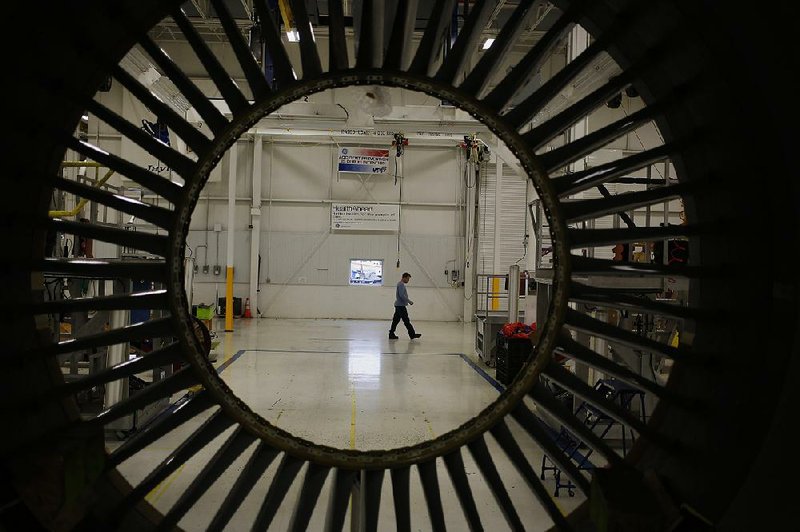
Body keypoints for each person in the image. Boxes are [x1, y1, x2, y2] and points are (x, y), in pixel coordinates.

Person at [389, 272, 421, 340]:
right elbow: (401, 295)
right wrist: (409, 301)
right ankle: (412, 334)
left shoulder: (400, 284)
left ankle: (391, 334)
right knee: (406, 321)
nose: (408, 281)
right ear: (404, 277)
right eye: (408, 279)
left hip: (399, 305)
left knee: (395, 321)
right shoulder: (401, 284)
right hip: (400, 306)